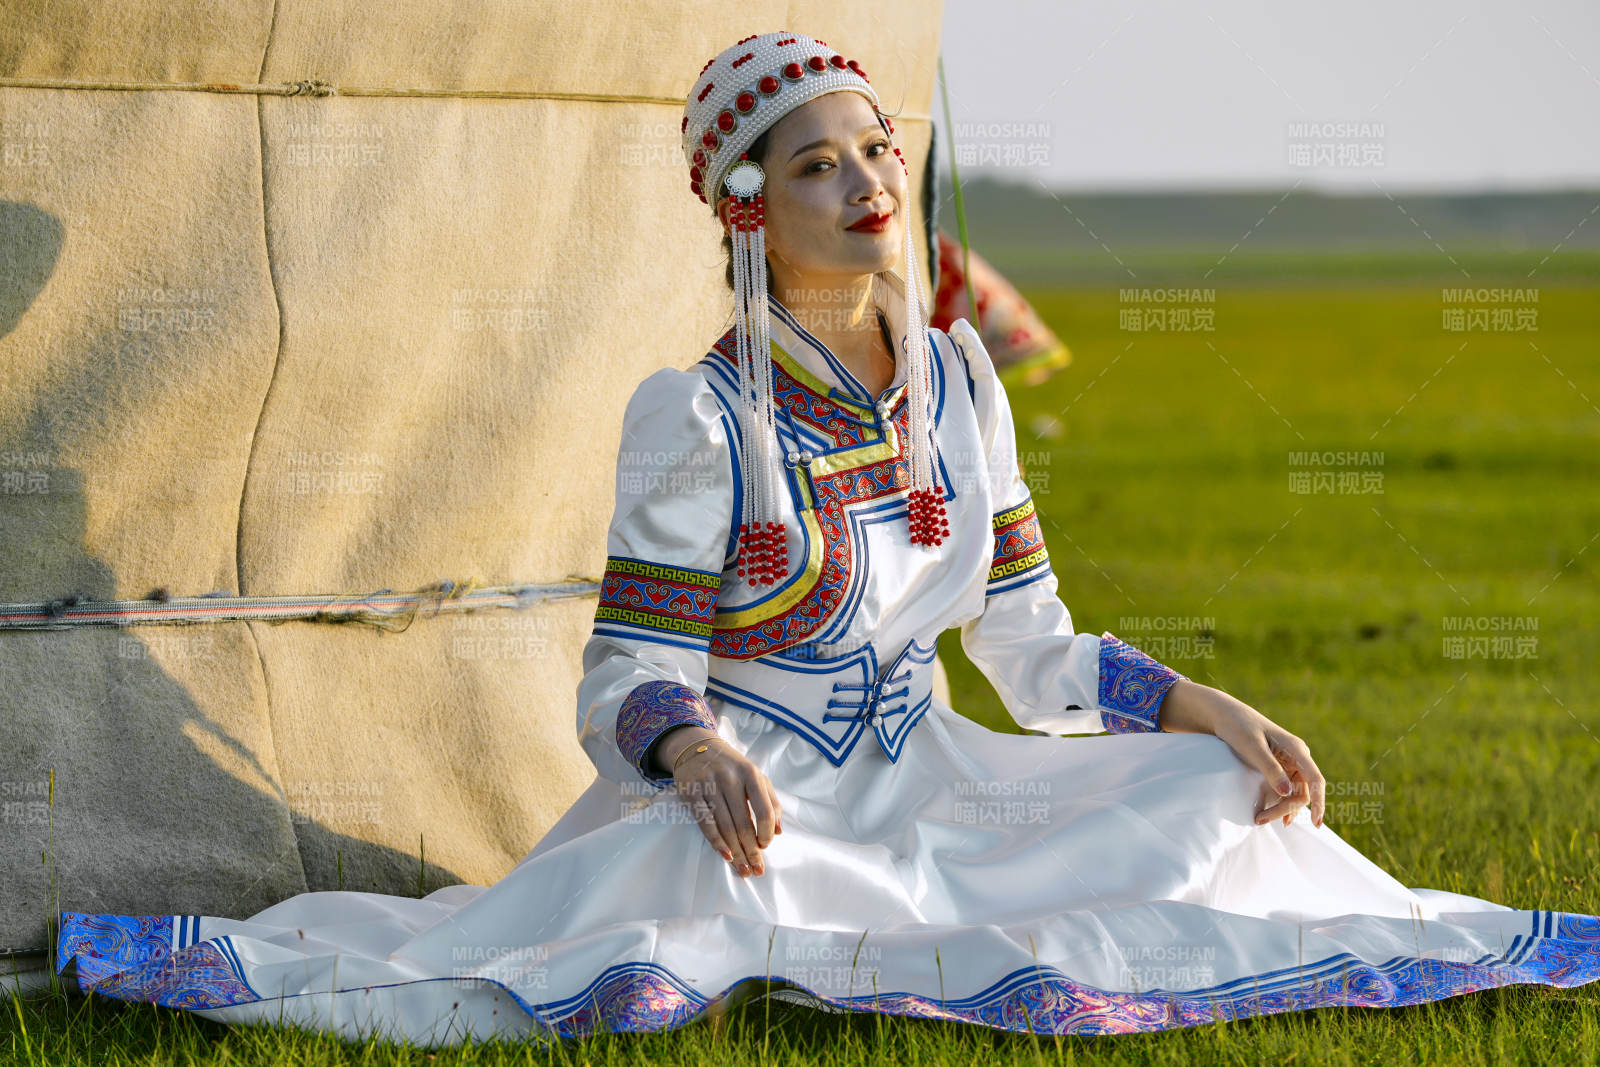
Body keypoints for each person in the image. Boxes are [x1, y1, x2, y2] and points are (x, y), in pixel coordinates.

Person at [55, 30, 1598, 1046]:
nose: (866, 183)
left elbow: (1032, 646)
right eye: (816, 164)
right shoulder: (698, 415)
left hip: (938, 778)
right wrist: (690, 753)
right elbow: (629, 672)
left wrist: (1203, 705)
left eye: (875, 151)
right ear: (747, 207)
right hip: (760, 802)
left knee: (1211, 794)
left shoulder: (960, 380)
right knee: (692, 905)